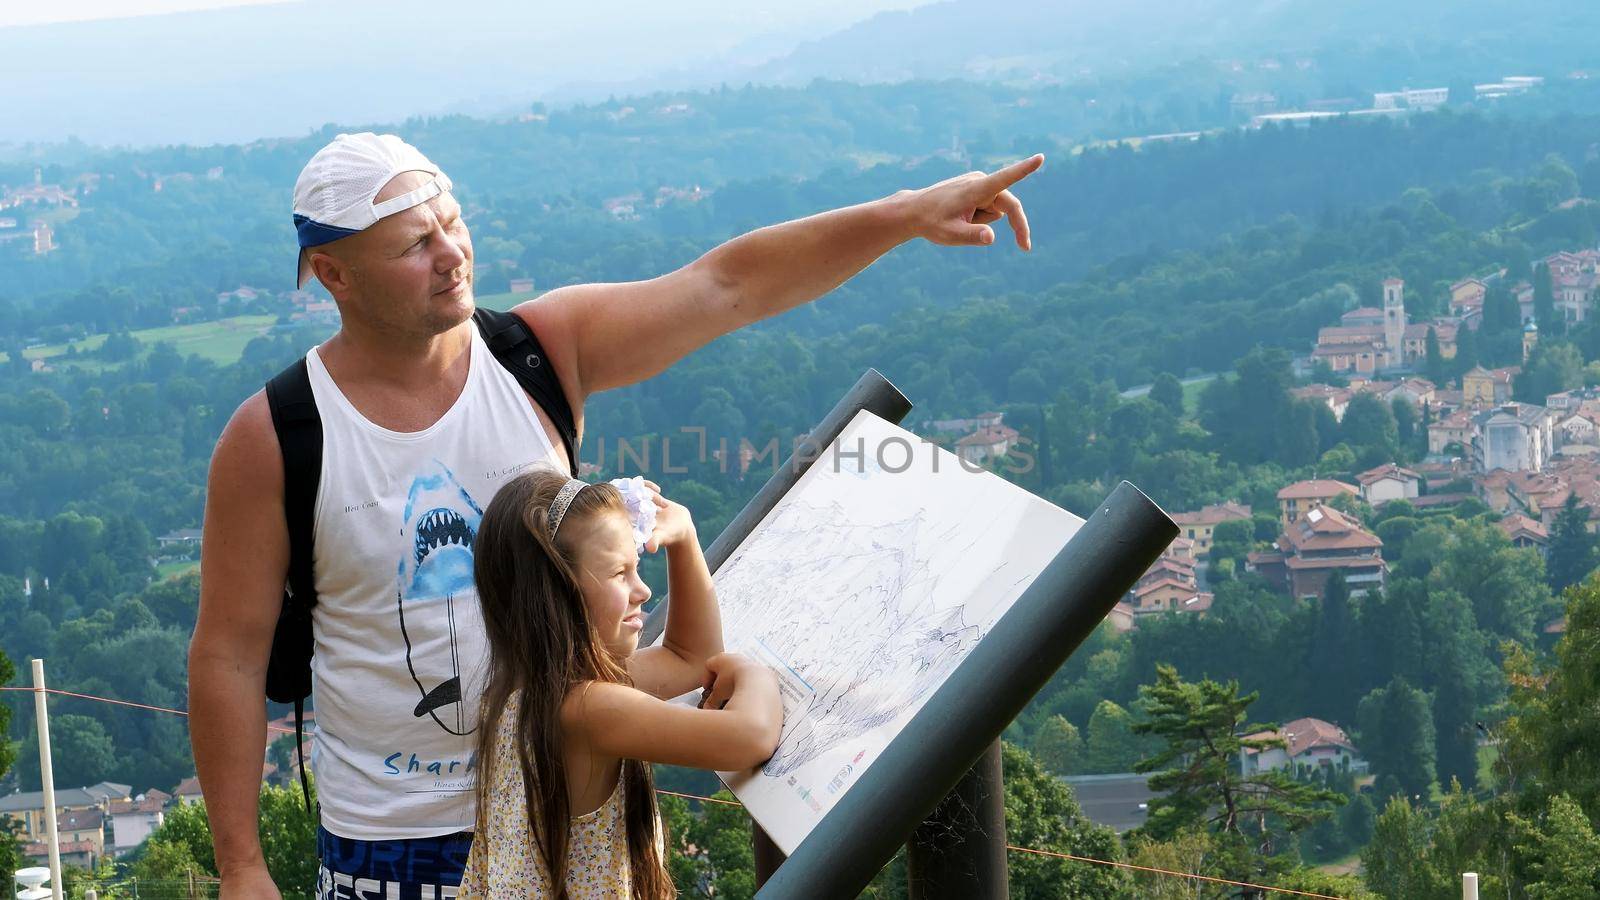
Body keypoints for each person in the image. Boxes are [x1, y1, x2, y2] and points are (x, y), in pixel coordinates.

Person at [188, 130, 1041, 898]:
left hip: (578, 808)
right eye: (415, 244)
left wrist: (906, 214)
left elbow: (726, 286)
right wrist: (242, 868)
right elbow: (229, 652)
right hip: (396, 848)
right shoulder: (278, 436)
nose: (452, 255)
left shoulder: (536, 357)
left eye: (453, 224)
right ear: (332, 274)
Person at [459, 469, 780, 898]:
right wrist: (756, 672)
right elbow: (750, 737)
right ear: (556, 593)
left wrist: (682, 539)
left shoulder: (525, 694)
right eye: (618, 574)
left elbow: (689, 660)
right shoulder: (588, 709)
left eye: (637, 567)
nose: (643, 590)